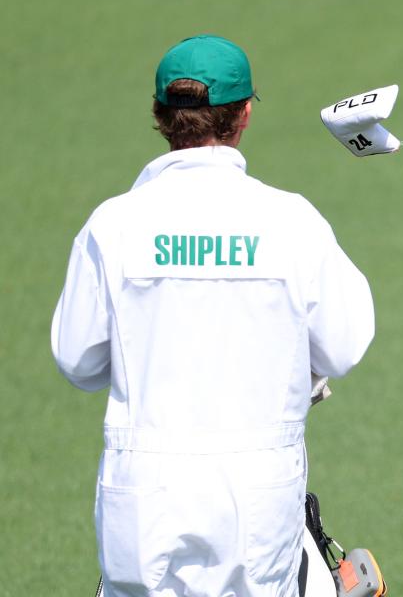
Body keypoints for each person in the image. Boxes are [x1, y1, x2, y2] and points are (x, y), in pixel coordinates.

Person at [51, 34, 374, 597]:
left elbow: (77, 359)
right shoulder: (291, 221)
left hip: (144, 492)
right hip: (257, 492)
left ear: (160, 115)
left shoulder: (113, 224)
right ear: (244, 113)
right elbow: (344, 347)